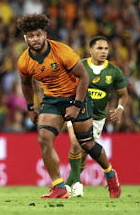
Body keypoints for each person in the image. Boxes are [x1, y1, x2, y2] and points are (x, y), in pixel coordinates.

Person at [17, 14, 121, 199]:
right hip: (52, 100)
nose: (35, 39)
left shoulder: (62, 52)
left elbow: (84, 77)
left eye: (38, 35)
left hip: (76, 96)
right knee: (44, 139)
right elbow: (26, 84)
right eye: (31, 36)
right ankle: (59, 187)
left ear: (45, 34)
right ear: (26, 38)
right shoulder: (24, 61)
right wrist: (31, 107)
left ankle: (110, 175)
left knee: (86, 144)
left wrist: (76, 105)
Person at [65, 36, 128, 197]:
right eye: (99, 48)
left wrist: (120, 108)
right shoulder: (81, 65)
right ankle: (72, 186)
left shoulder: (114, 71)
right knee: (75, 144)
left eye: (106, 49)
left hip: (98, 117)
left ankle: (109, 174)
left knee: (84, 153)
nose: (103, 52)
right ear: (90, 50)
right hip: (78, 111)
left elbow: (123, 94)